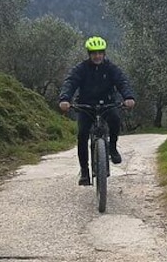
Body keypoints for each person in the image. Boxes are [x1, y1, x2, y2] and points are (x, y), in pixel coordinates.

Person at [58, 36, 136, 186]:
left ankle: (112, 148)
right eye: (94, 53)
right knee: (82, 135)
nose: (97, 56)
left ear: (104, 53)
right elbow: (70, 82)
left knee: (115, 121)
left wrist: (128, 97)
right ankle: (85, 172)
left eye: (100, 52)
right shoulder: (81, 69)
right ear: (89, 54)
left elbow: (122, 81)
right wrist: (65, 99)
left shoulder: (111, 68)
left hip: (107, 104)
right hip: (86, 106)